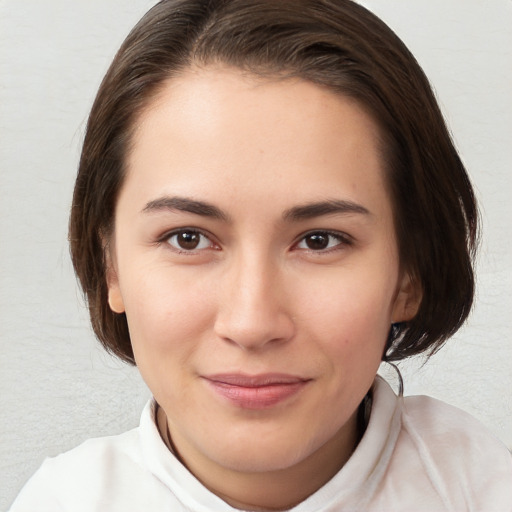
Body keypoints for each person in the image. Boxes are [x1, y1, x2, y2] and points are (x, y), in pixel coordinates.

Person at [9, 0, 512, 510]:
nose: (251, 324)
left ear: (410, 275)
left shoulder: (481, 487)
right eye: (188, 238)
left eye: (320, 240)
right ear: (111, 265)